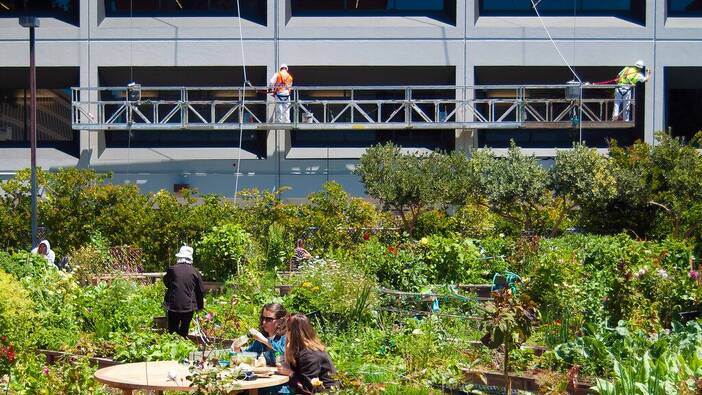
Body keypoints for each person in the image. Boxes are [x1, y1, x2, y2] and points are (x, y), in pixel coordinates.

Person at [232, 303, 290, 394]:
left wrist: (264, 340)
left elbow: (284, 353)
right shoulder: (262, 338)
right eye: (263, 318)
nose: (263, 322)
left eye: (268, 319)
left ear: (280, 321)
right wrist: (237, 349)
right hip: (264, 383)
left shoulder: (285, 337)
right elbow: (249, 355)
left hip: (281, 386)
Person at [277, 314, 338, 394]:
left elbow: (307, 389)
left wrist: (290, 373)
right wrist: (287, 350)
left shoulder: (309, 354)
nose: (285, 334)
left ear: (293, 333)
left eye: (287, 330)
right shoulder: (303, 350)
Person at [163, 245, 204, 338]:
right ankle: (182, 345)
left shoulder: (172, 270)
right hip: (188, 307)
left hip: (173, 305)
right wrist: (200, 307)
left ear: (179, 257)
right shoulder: (195, 272)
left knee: (172, 330)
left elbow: (166, 282)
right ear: (190, 259)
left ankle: (171, 346)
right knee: (184, 331)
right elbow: (200, 291)